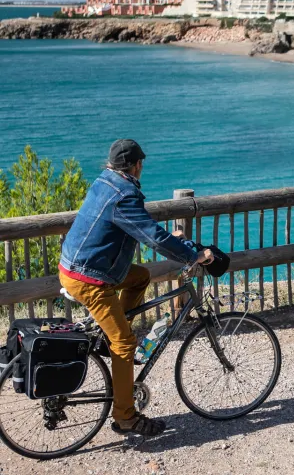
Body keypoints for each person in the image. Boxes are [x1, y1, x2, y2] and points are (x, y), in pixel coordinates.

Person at [58, 139, 213, 436]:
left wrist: (170, 237)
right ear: (137, 165)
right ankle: (126, 417)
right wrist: (193, 255)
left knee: (140, 276)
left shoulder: (106, 181)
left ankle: (109, 337)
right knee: (125, 343)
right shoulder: (125, 194)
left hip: (81, 267)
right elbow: (150, 237)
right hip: (90, 278)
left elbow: (143, 228)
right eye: (142, 163)